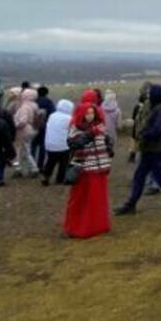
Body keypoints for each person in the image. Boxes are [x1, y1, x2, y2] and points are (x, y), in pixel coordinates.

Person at [116, 84, 161, 214]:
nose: (149, 96)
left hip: (153, 148)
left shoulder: (160, 110)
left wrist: (144, 134)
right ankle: (132, 204)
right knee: (147, 175)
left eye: (150, 94)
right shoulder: (159, 107)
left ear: (155, 95)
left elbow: (158, 129)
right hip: (151, 148)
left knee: (151, 176)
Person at [63, 93, 113, 238]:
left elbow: (106, 142)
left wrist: (108, 146)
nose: (90, 116)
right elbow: (75, 144)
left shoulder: (100, 127)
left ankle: (98, 225)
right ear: (81, 114)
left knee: (98, 200)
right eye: (87, 113)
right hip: (84, 170)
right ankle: (77, 226)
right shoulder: (76, 128)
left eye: (92, 113)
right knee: (80, 199)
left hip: (100, 169)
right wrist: (92, 133)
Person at [41, 98, 74, 186]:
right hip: (63, 145)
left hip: (50, 143)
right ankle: (60, 178)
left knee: (50, 161)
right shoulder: (69, 118)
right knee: (63, 163)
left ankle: (46, 176)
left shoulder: (52, 116)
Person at [12, 88, 43, 177]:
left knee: (23, 150)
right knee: (25, 150)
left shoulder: (25, 107)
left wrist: (15, 126)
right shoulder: (34, 105)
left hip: (23, 130)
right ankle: (23, 168)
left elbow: (23, 121)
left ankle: (31, 168)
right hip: (32, 129)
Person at [33, 85, 56, 170]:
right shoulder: (49, 102)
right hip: (45, 126)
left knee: (33, 146)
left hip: (34, 126)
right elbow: (53, 113)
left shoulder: (34, 101)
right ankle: (40, 165)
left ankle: (32, 165)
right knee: (42, 147)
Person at [128, 82, 151, 163]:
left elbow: (133, 118)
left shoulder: (137, 107)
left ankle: (132, 156)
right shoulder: (149, 107)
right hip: (144, 128)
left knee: (134, 142)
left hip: (136, 128)